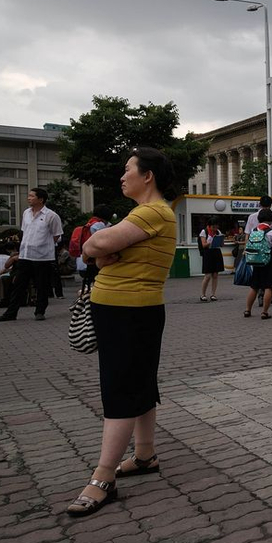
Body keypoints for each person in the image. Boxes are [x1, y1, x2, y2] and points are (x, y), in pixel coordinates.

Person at [65, 146, 177, 517]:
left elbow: (95, 243)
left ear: (148, 175)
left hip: (130, 311)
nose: (122, 175)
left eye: (128, 169)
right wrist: (96, 254)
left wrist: (97, 254)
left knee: (120, 389)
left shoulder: (152, 211)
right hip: (128, 310)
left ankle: (102, 477)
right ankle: (144, 455)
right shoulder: (146, 213)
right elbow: (92, 249)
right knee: (140, 384)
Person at [0, 188, 63, 322]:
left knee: (41, 285)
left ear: (40, 199)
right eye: (29, 196)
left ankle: (40, 311)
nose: (29, 198)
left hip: (42, 257)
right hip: (25, 255)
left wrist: (42, 245)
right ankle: (11, 313)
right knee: (19, 285)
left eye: (31, 196)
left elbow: (56, 235)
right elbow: (24, 232)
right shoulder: (26, 213)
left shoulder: (51, 216)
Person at [244, 209, 272, 319]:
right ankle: (264, 312)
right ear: (271, 220)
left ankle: (247, 310)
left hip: (256, 260)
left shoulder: (253, 230)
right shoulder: (271, 232)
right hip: (269, 260)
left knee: (254, 286)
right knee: (268, 286)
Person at [76, 205, 113, 283]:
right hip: (96, 256)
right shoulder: (99, 225)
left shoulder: (90, 223)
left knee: (90, 278)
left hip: (88, 256)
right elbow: (104, 240)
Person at [198, 218, 224, 301]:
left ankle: (213, 294)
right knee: (208, 275)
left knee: (215, 274)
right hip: (208, 253)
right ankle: (203, 294)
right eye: (213, 227)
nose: (215, 229)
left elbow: (222, 244)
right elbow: (203, 245)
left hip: (216, 252)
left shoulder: (218, 232)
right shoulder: (204, 232)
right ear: (209, 226)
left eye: (216, 227)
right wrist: (211, 241)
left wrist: (221, 240)